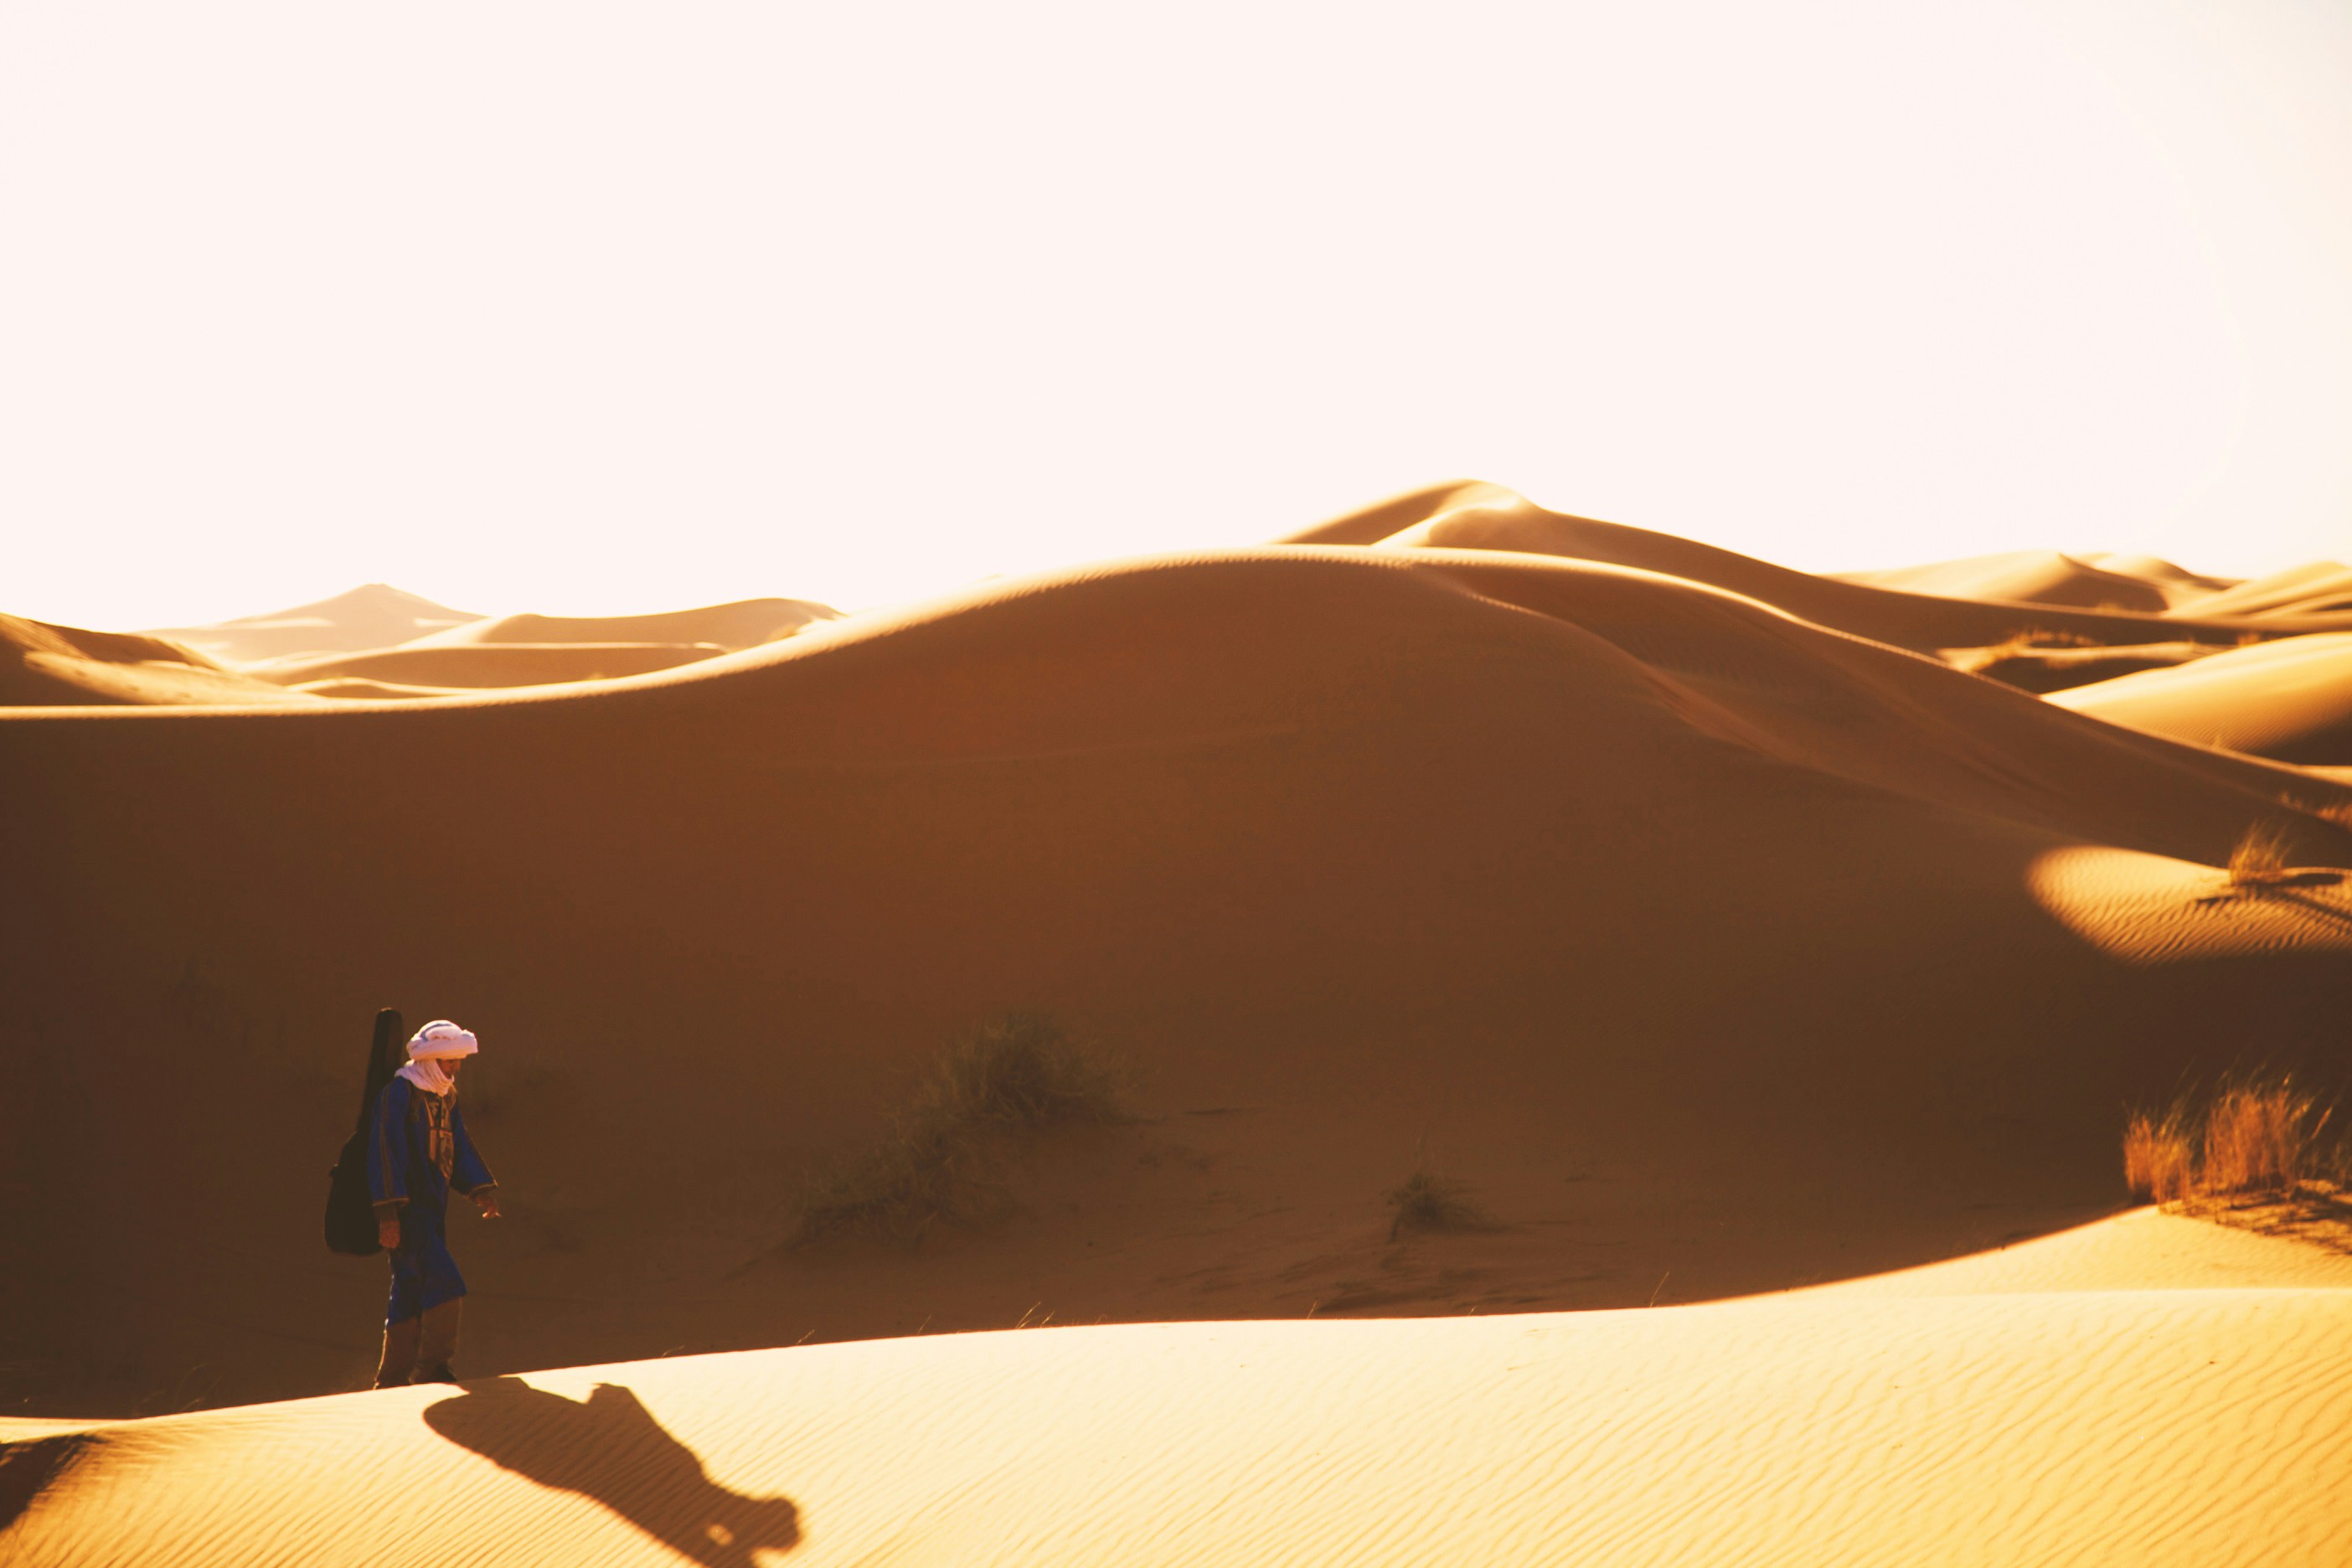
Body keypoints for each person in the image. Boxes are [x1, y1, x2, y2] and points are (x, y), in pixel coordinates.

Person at [368, 1019, 501, 1386]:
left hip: (433, 1211)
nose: (455, 1069)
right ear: (429, 1061)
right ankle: (433, 1366)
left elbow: (457, 1147)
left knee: (409, 1288)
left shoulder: (445, 1099)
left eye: (458, 1061)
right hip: (408, 1212)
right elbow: (384, 1152)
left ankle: (392, 1379)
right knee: (445, 1280)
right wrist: (388, 1214)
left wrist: (480, 1190)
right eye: (448, 1062)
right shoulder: (399, 1094)